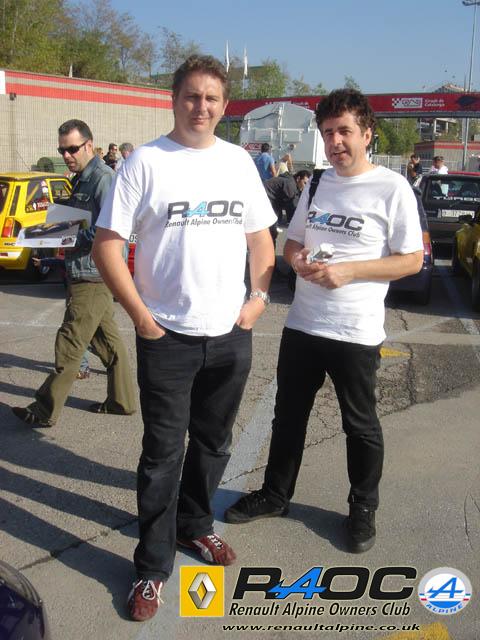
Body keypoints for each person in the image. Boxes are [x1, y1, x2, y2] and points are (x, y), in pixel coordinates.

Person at [92, 55, 276, 622]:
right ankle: (151, 568)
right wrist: (142, 318)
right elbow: (107, 245)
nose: (202, 107)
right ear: (174, 100)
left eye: (212, 98)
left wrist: (257, 300)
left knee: (215, 444)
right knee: (162, 456)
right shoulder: (145, 163)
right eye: (192, 96)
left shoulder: (238, 162)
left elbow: (260, 239)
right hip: (166, 336)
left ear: (224, 105)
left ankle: (195, 525)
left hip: (230, 335)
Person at [225, 88, 424, 555]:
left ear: (367, 134)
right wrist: (299, 260)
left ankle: (362, 508)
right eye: (328, 132)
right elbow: (293, 242)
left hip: (355, 331)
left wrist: (350, 271)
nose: (335, 142)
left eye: (345, 131)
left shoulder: (391, 187)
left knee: (360, 425)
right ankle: (275, 494)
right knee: (288, 416)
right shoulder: (316, 184)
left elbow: (412, 260)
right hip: (304, 324)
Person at [11, 119, 136, 428]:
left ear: (89, 145)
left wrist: (67, 237)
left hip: (93, 274)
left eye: (72, 149)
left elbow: (109, 228)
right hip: (86, 271)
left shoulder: (103, 179)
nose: (66, 155)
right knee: (107, 342)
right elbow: (79, 218)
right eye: (62, 150)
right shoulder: (81, 179)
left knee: (70, 342)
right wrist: (48, 231)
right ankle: (122, 401)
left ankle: (44, 410)